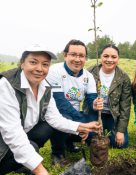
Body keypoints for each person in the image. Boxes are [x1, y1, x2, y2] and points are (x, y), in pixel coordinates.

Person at [0, 44, 101, 175]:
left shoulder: (44, 86)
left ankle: (22, 161)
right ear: (22, 63)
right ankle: (19, 161)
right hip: (4, 140)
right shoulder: (7, 86)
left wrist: (81, 126)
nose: (39, 69)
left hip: (22, 132)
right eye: (33, 62)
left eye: (45, 64)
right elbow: (12, 133)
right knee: (32, 147)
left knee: (47, 126)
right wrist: (40, 170)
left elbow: (54, 118)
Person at [46, 39, 103, 165]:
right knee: (64, 117)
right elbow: (60, 103)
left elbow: (91, 99)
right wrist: (83, 124)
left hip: (76, 113)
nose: (77, 59)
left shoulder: (88, 76)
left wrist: (94, 104)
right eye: (73, 54)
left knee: (93, 120)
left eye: (81, 56)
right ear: (65, 55)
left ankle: (68, 142)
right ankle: (57, 153)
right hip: (57, 113)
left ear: (85, 58)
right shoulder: (54, 71)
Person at [85, 44, 131, 148]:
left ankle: (110, 131)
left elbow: (125, 106)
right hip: (94, 112)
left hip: (112, 114)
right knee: (91, 141)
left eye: (113, 57)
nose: (109, 60)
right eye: (106, 56)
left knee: (121, 144)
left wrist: (121, 131)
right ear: (100, 57)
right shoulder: (89, 72)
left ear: (118, 59)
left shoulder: (123, 78)